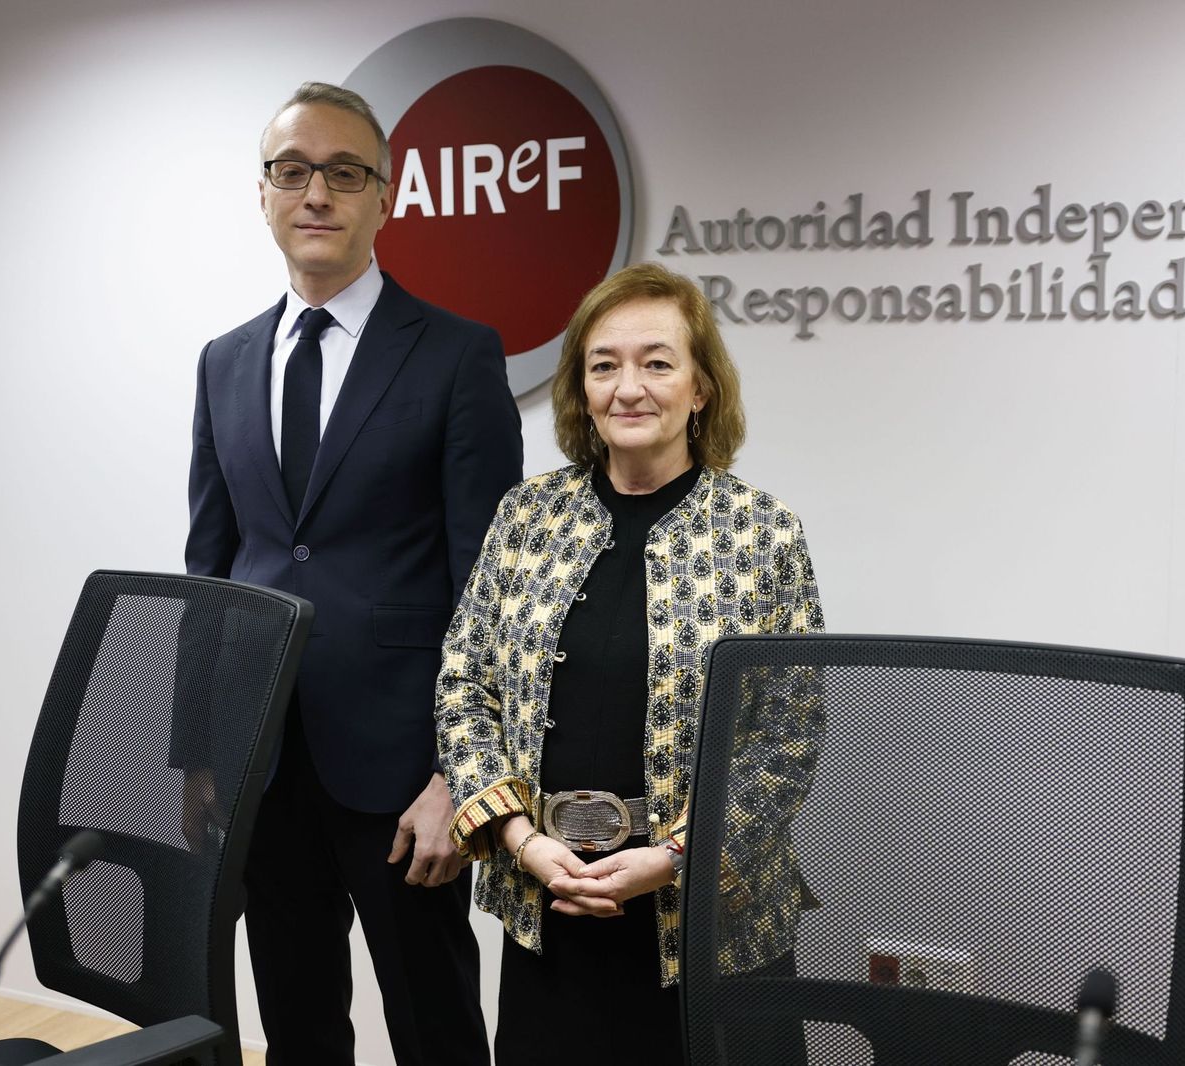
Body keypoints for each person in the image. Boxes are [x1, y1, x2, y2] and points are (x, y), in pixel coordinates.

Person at [183, 81, 520, 1066]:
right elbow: (210, 564)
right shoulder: (224, 361)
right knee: (292, 1019)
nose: (316, 193)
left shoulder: (457, 356)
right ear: (265, 194)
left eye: (343, 172)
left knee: (433, 1023)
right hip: (262, 756)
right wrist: (196, 750)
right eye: (293, 172)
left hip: (400, 766)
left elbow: (488, 586)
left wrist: (463, 772)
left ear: (387, 194)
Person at [435, 262, 825, 1063]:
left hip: (713, 921)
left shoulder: (763, 534)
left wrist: (671, 858)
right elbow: (464, 687)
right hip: (550, 898)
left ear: (701, 388)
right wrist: (518, 837)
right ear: (581, 390)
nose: (629, 387)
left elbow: (789, 735)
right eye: (603, 365)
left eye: (657, 362)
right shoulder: (526, 518)